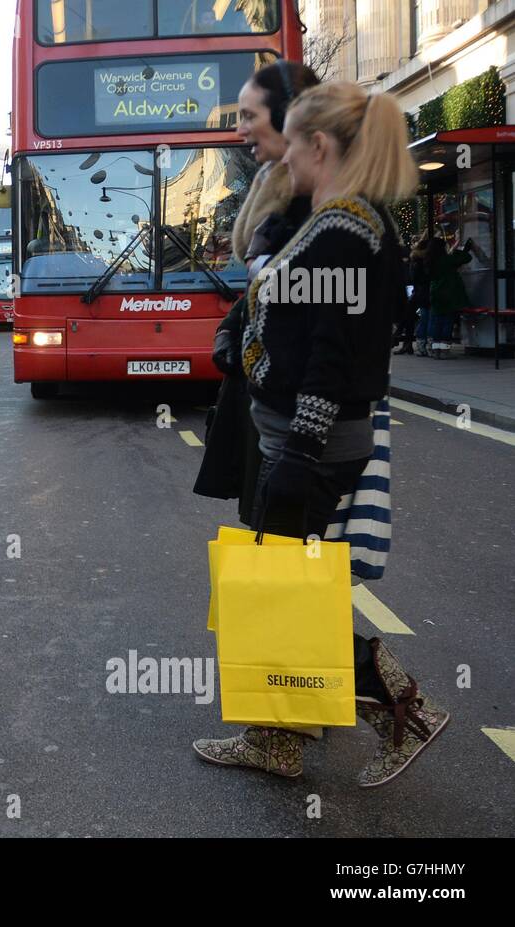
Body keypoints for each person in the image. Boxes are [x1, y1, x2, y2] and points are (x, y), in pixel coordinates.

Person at [193, 82, 449, 788]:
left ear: (318, 146)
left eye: (294, 151)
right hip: (305, 438)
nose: (289, 169)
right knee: (285, 594)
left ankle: (407, 707)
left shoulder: (345, 229)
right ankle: (280, 739)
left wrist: (301, 450)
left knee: (287, 596)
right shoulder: (346, 221)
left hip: (314, 444)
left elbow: (334, 353)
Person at [195, 60, 320, 526]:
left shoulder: (331, 207)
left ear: (291, 117)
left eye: (250, 116)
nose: (240, 129)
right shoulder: (273, 188)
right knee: (276, 559)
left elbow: (336, 327)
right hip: (270, 413)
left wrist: (304, 448)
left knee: (299, 567)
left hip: (301, 425)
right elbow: (270, 296)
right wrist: (233, 329)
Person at [416, 235, 473, 358]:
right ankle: (444, 351)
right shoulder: (446, 260)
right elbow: (466, 258)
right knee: (447, 324)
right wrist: (462, 249)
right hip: (448, 294)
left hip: (435, 293)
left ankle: (436, 350)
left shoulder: (429, 261)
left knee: (436, 323)